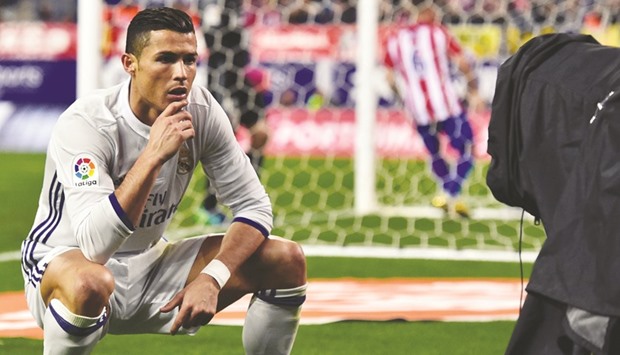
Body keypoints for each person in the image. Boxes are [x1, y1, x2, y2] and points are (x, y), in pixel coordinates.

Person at [20, 7, 307, 354]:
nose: (181, 74)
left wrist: (212, 277)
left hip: (152, 262)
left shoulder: (201, 109)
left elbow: (255, 206)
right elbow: (95, 246)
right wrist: (152, 155)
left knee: (286, 258)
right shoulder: (86, 123)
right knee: (90, 282)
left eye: (190, 60)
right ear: (130, 63)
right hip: (68, 263)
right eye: (166, 59)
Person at [383, 4, 484, 218]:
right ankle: (451, 192)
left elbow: (389, 78)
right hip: (446, 106)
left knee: (435, 153)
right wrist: (473, 89)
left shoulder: (394, 39)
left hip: (418, 110)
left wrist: (403, 100)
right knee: (467, 149)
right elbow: (462, 63)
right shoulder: (438, 33)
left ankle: (447, 195)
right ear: (425, 10)